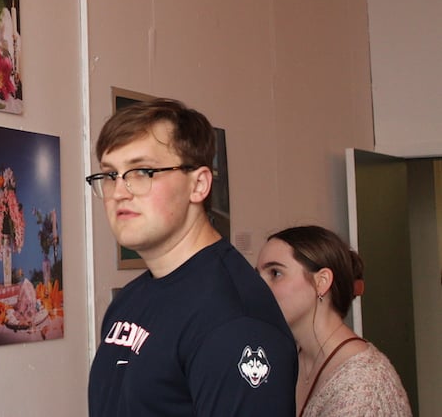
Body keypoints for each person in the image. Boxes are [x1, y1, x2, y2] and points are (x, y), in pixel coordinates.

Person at [87, 98, 297, 416]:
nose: (119, 192)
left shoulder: (234, 319)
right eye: (110, 175)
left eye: (142, 172)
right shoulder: (128, 300)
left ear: (198, 185)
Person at [256, 226, 412, 416]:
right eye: (257, 275)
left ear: (321, 282)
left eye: (275, 273)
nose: (258, 287)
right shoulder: (283, 360)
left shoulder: (364, 383)